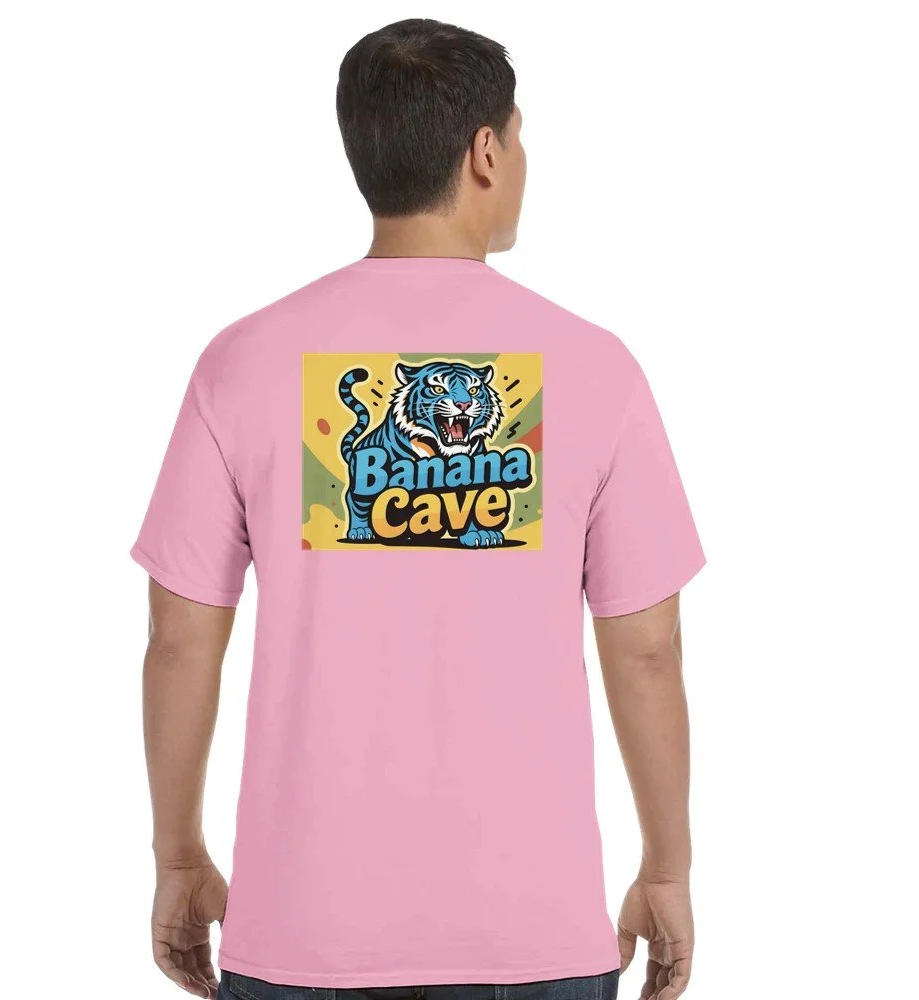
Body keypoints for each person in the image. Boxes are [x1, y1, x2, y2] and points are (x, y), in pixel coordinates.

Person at [133, 18, 704, 1000]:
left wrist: (179, 855)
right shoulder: (595, 368)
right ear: (485, 152)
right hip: (534, 937)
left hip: (302, 934)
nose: (521, 160)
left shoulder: (242, 362)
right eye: (519, 136)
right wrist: (666, 869)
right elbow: (647, 650)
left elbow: (180, 640)